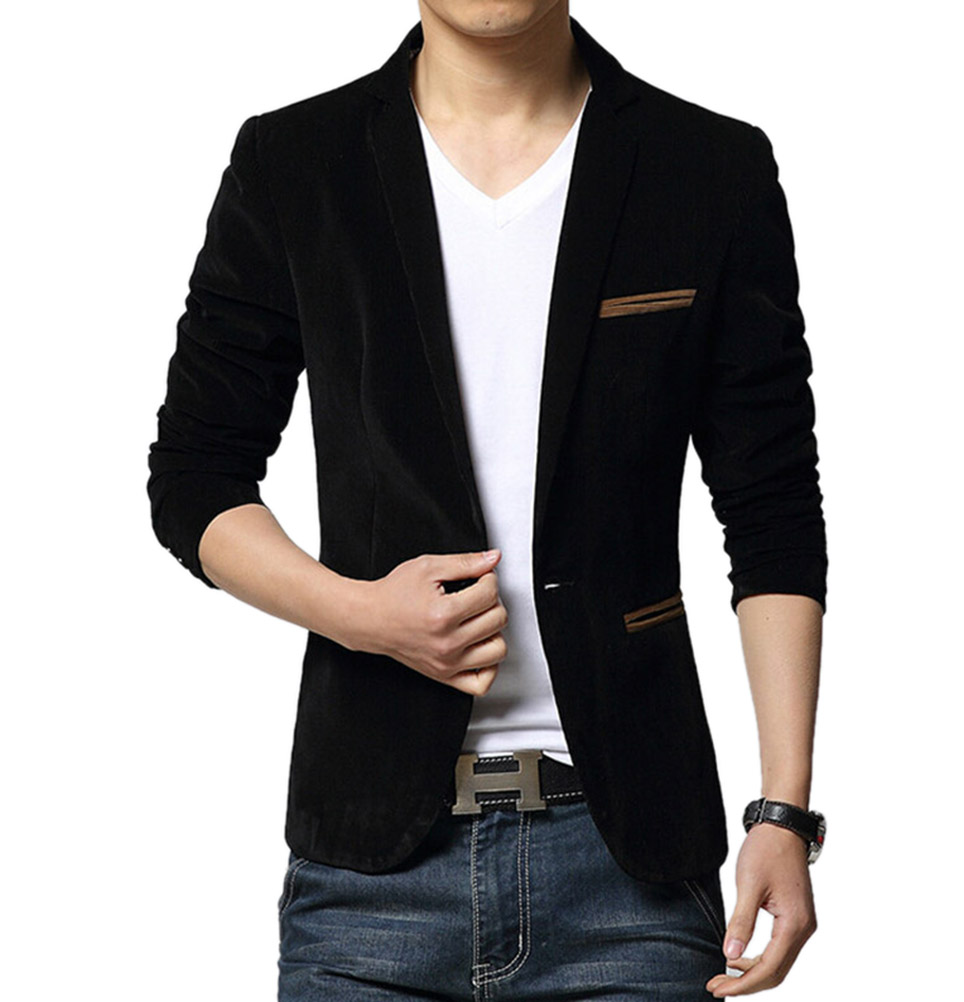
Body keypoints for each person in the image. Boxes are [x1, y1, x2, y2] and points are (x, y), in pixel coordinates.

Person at [148, 2, 827, 998]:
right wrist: (359, 614)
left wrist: (784, 810)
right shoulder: (297, 161)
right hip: (369, 882)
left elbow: (771, 509)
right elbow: (196, 476)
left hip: (629, 876)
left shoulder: (707, 167)